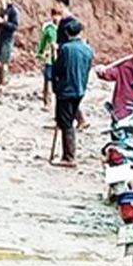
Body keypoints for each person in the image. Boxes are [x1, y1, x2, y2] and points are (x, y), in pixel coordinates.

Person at [52, 18, 93, 167]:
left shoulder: (65, 49)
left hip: (65, 89)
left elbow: (58, 69)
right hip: (80, 88)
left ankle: (69, 157)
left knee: (66, 122)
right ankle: (69, 154)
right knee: (69, 118)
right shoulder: (87, 49)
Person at [34, 6, 60, 111]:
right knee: (48, 80)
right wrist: (40, 53)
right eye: (55, 15)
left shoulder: (64, 28)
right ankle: (47, 102)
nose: (57, 18)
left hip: (60, 58)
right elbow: (43, 42)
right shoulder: (49, 29)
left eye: (59, 15)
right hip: (50, 58)